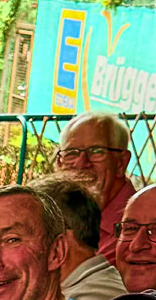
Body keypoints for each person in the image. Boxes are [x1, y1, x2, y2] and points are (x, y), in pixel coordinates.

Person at [52, 109, 135, 256]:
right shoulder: (54, 213)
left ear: (121, 163)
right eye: (71, 153)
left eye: (96, 151)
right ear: (59, 163)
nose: (82, 163)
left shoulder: (137, 229)